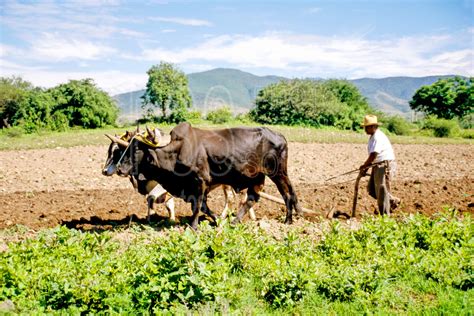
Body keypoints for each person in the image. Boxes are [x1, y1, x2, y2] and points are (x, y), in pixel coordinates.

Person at [359, 115, 400, 215]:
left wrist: (364, 166)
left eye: (366, 127)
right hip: (377, 164)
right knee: (372, 189)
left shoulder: (377, 137)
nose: (365, 129)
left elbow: (374, 155)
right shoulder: (373, 136)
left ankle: (385, 216)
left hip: (384, 165)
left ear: (373, 126)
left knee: (382, 191)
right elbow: (373, 157)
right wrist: (366, 167)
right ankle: (391, 201)